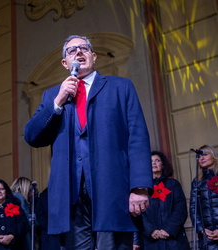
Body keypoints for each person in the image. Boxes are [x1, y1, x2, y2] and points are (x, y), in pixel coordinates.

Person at [24, 34, 153, 249]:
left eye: (84, 48)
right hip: (70, 194)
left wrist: (139, 187)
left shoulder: (120, 87)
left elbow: (137, 138)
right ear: (65, 63)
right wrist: (58, 101)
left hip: (111, 189)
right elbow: (32, 136)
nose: (79, 52)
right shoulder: (51, 96)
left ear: (94, 56)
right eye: (72, 51)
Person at [140, 151, 189, 249]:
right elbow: (139, 213)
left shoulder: (173, 184)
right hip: (151, 240)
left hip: (174, 240)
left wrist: (168, 229)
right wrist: (150, 230)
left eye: (157, 160)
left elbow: (180, 209)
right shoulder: (141, 188)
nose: (153, 163)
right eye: (150, 161)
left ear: (163, 165)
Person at [190, 145, 218, 249]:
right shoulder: (197, 181)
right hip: (207, 236)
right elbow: (193, 208)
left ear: (213, 156)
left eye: (205, 154)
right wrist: (201, 229)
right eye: (199, 156)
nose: (201, 158)